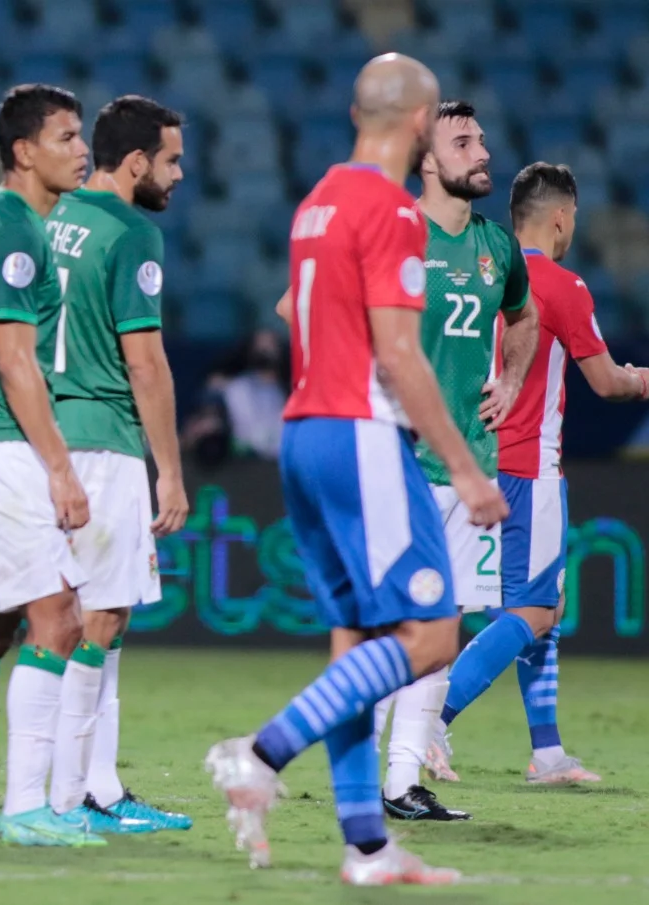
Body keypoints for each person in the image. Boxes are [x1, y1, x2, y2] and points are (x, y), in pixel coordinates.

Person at [207, 54, 507, 886]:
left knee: (356, 647)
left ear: (354, 111)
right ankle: (260, 753)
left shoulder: (318, 202)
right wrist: (466, 471)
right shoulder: (393, 210)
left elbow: (298, 316)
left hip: (305, 430)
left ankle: (366, 846)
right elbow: (401, 353)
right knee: (431, 634)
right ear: (420, 126)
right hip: (361, 432)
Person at [435, 163, 649, 782]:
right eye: (574, 216)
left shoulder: (480, 273)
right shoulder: (561, 285)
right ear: (560, 216)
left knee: (544, 602)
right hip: (531, 467)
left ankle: (548, 751)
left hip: (474, 461)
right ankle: (431, 725)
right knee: (532, 610)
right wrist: (643, 379)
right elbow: (607, 383)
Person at [371, 101, 538, 820]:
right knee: (394, 632)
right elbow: (302, 308)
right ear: (427, 158)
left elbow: (524, 317)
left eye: (483, 139)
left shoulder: (498, 247)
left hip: (472, 463)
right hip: (399, 462)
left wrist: (511, 378)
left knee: (439, 636)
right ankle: (346, 762)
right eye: (463, 141)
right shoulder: (391, 232)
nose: (483, 151)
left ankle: (402, 781)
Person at [0, 84, 98, 847]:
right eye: (66, 136)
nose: (82, 149)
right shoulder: (15, 231)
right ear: (23, 151)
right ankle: (29, 805)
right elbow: (15, 361)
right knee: (59, 617)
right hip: (1, 445)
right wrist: (61, 468)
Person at [42, 95, 190, 833]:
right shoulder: (132, 233)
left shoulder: (51, 215)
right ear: (136, 163)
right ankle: (75, 795)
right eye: (170, 160)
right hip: (102, 439)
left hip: (43, 438)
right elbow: (147, 363)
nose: (180, 173)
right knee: (100, 619)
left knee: (85, 615)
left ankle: (94, 782)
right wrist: (169, 466)